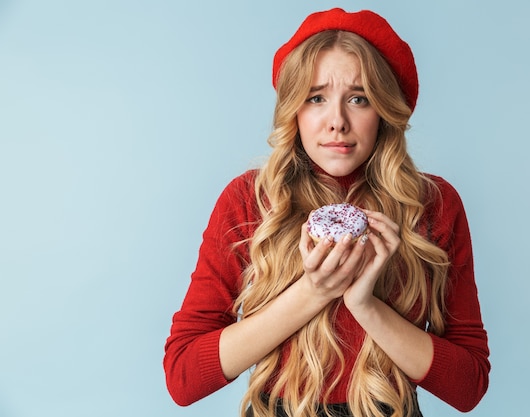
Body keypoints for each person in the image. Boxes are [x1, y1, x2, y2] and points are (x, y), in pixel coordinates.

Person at [164, 8, 490, 417]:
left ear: (384, 112)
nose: (337, 121)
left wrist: (366, 305)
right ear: (294, 110)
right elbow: (183, 377)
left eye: (359, 98)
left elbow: (470, 387)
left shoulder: (432, 205)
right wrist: (314, 291)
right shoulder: (249, 199)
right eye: (316, 98)